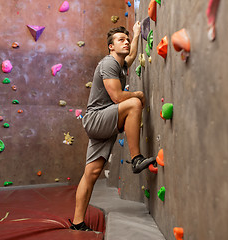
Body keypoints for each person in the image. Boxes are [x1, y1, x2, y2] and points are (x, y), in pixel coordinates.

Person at [69, 22, 156, 231]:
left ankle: (77, 222)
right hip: (97, 118)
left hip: (103, 119)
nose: (125, 42)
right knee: (134, 103)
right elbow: (117, 97)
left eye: (125, 40)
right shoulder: (109, 63)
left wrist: (135, 35)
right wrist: (138, 95)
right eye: (120, 40)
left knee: (92, 171)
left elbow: (132, 55)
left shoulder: (121, 63)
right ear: (110, 46)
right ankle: (136, 159)